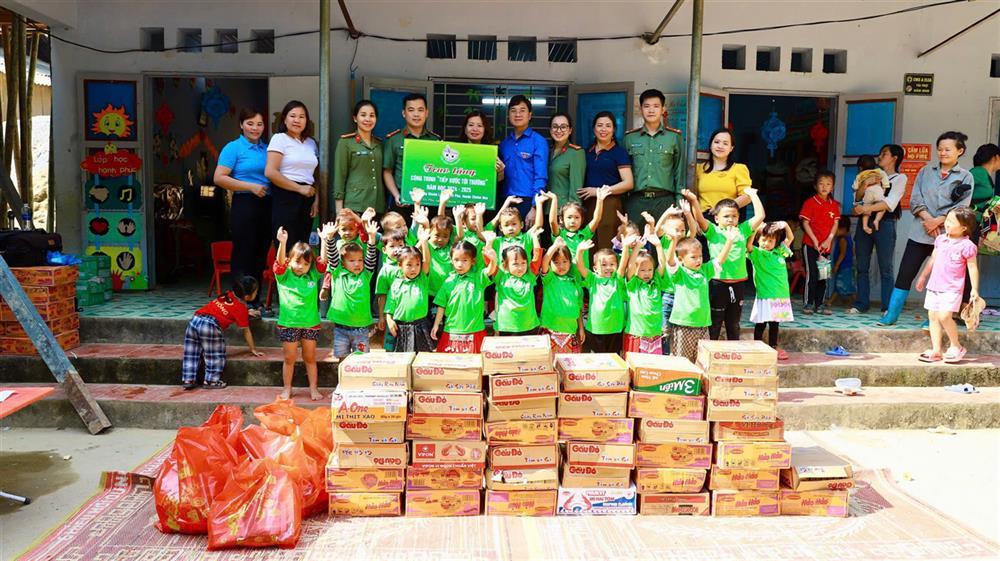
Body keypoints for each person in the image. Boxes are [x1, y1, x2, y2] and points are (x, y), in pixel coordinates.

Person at [879, 132, 974, 327]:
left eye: (948, 149)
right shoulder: (925, 171)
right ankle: (891, 315)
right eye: (940, 149)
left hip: (947, 236)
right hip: (920, 232)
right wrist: (928, 219)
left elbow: (962, 207)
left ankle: (933, 321)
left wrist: (938, 221)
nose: (942, 153)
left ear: (960, 151)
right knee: (905, 273)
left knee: (942, 279)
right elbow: (915, 199)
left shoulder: (966, 177)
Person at [682, 186, 765, 339]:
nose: (730, 219)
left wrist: (753, 195)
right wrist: (694, 200)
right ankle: (711, 354)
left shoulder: (743, 230)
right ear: (716, 218)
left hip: (738, 282)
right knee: (715, 322)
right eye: (726, 216)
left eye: (734, 216)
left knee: (733, 323)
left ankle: (733, 354)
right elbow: (700, 219)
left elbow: (760, 216)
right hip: (717, 283)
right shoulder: (713, 232)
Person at [214, 109, 270, 314]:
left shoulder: (267, 148)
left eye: (259, 124)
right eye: (250, 123)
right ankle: (239, 301)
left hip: (266, 204)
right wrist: (250, 187)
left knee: (259, 255)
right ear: (241, 124)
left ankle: (255, 302)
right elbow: (219, 177)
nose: (255, 128)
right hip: (245, 203)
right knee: (242, 254)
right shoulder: (233, 148)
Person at [915, 207, 979, 363]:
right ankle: (936, 350)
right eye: (947, 220)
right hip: (934, 285)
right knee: (933, 316)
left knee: (944, 316)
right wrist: (923, 277)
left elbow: (972, 267)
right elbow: (932, 259)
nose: (947, 224)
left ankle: (956, 346)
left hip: (952, 288)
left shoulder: (968, 246)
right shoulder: (941, 239)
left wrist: (975, 290)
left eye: (951, 222)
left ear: (964, 228)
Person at [850, 144, 907, 314]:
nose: (880, 157)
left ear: (894, 158)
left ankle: (887, 306)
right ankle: (861, 303)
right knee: (861, 265)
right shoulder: (869, 175)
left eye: (884, 154)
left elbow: (890, 204)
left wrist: (864, 209)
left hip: (886, 223)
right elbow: (856, 202)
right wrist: (864, 189)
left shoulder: (900, 178)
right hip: (864, 222)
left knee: (886, 267)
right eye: (880, 153)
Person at [665, 232, 737, 363]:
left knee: (702, 360)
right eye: (693, 257)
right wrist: (674, 241)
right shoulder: (679, 274)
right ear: (681, 260)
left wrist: (729, 241)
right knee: (682, 361)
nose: (698, 260)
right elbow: (670, 261)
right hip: (683, 324)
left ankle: (698, 384)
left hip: (703, 325)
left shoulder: (705, 270)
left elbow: (720, 259)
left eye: (700, 256)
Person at [180, 276, 263, 390]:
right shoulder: (241, 308)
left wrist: (247, 312)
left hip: (195, 320)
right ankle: (211, 381)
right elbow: (246, 330)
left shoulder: (228, 294)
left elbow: (229, 308)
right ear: (248, 296)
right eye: (256, 291)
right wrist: (253, 349)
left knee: (191, 352)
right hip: (210, 326)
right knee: (215, 355)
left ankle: (188, 379)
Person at [273, 226, 325, 401]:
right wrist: (282, 242)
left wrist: (324, 240)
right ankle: (287, 388)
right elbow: (279, 264)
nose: (301, 266)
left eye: (305, 263)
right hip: (289, 323)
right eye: (297, 262)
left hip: (310, 323)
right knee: (289, 358)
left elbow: (322, 263)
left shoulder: (312, 276)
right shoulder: (284, 275)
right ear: (289, 260)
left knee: (310, 357)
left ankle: (313, 388)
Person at [624, 89, 685, 224]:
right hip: (636, 201)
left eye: (656, 106)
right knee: (634, 242)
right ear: (641, 109)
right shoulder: (630, 138)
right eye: (646, 106)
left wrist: (679, 204)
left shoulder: (674, 137)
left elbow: (679, 173)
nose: (651, 110)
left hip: (665, 201)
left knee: (666, 243)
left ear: (663, 109)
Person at [323, 218, 379, 358]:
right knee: (342, 359)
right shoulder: (338, 273)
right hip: (341, 328)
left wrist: (372, 238)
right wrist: (330, 238)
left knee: (361, 360)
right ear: (343, 263)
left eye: (360, 260)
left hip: (361, 329)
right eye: (352, 261)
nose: (357, 264)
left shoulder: (365, 275)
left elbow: (371, 257)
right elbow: (333, 257)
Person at [266, 101, 319, 246]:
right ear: (284, 119)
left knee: (303, 246)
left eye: (302, 117)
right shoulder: (279, 139)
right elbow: (270, 172)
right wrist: (298, 188)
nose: (297, 120)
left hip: (307, 196)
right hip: (286, 194)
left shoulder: (311, 143)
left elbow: (314, 175)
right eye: (293, 116)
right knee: (286, 244)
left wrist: (316, 199)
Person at [432, 239, 498, 353]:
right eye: (456, 260)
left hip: (475, 330)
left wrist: (493, 259)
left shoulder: (478, 278)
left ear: (473, 261)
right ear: (451, 261)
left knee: (475, 366)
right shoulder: (448, 281)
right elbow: (441, 305)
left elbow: (490, 270)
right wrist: (436, 325)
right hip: (452, 331)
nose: (459, 264)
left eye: (464, 260)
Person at [580, 111, 634, 249]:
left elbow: (628, 183)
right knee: (589, 244)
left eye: (608, 126)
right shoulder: (587, 152)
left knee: (606, 246)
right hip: (588, 205)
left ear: (614, 129)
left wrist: (599, 191)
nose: (603, 129)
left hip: (610, 204)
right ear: (594, 129)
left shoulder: (619, 152)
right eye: (599, 125)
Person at [383, 93, 440, 211]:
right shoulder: (394, 139)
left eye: (420, 110)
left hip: (429, 200)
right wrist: (396, 195)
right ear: (404, 113)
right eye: (411, 110)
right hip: (403, 199)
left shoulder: (435, 140)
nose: (416, 114)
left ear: (427, 113)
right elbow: (387, 172)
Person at [748, 222, 795, 360]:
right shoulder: (757, 253)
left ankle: (773, 346)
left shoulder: (779, 251)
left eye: (770, 240)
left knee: (775, 323)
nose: (767, 243)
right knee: (761, 323)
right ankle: (756, 345)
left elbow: (790, 238)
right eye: (763, 240)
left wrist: (786, 225)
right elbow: (748, 246)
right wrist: (755, 229)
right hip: (765, 295)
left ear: (776, 242)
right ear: (758, 240)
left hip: (780, 295)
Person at [499, 95, 549, 220]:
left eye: (522, 110)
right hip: (507, 201)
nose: (517, 114)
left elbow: (541, 177)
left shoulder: (538, 141)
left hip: (528, 202)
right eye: (513, 110)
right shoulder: (504, 144)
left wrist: (534, 207)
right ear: (508, 115)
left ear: (529, 115)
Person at [798, 170, 841, 315]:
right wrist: (815, 240)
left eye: (828, 184)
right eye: (821, 184)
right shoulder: (810, 203)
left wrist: (829, 239)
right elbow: (805, 223)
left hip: (826, 247)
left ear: (832, 187)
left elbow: (835, 224)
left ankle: (820, 304)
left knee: (823, 275)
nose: (824, 187)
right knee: (812, 274)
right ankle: (808, 304)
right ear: (815, 186)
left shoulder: (834, 205)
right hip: (810, 245)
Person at [384, 229, 435, 353]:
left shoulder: (422, 279)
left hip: (421, 326)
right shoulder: (396, 284)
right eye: (409, 265)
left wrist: (424, 242)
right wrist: (389, 320)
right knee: (402, 359)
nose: (414, 269)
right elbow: (389, 307)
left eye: (417, 265)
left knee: (422, 359)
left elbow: (427, 261)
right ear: (400, 265)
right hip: (401, 327)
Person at [544, 186, 610, 277]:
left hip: (583, 280)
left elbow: (596, 219)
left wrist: (600, 200)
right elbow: (552, 222)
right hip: (566, 280)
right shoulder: (560, 236)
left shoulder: (584, 235)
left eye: (577, 217)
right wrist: (554, 200)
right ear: (561, 220)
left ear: (582, 220)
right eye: (569, 217)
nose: (573, 221)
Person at [334, 100, 385, 215]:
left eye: (372, 115)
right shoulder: (345, 142)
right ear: (355, 118)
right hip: (354, 205)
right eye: (363, 115)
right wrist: (339, 210)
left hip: (377, 206)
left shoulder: (380, 144)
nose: (368, 119)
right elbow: (339, 176)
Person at [622, 228, 669, 355]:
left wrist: (658, 245)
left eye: (649, 269)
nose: (647, 273)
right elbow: (630, 266)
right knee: (634, 367)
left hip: (654, 335)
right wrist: (637, 247)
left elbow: (662, 265)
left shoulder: (656, 283)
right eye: (642, 270)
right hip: (636, 334)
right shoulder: (634, 285)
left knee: (652, 369)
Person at [576, 240, 627, 353]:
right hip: (596, 328)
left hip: (615, 328)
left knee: (615, 358)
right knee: (599, 360)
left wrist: (626, 247)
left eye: (612, 264)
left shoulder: (617, 280)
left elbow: (623, 265)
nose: (608, 268)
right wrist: (579, 251)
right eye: (604, 265)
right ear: (595, 269)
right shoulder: (593, 279)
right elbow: (580, 267)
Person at [491, 229, 543, 336]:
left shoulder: (530, 276)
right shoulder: (501, 276)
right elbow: (489, 260)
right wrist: (489, 242)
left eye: (523, 263)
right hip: (506, 326)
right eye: (515, 264)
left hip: (529, 325)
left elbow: (537, 258)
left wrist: (534, 237)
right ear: (505, 265)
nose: (520, 267)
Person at [539, 238, 585, 353]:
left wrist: (581, 328)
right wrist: (555, 246)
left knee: (569, 365)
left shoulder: (574, 283)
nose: (561, 266)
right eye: (556, 262)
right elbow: (544, 261)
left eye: (565, 261)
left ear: (570, 262)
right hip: (551, 329)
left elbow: (579, 308)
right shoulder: (549, 279)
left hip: (571, 330)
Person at [696, 128, 752, 214]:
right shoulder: (698, 168)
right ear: (710, 145)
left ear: (731, 148)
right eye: (716, 142)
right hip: (703, 219)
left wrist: (722, 208)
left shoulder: (739, 169)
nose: (720, 146)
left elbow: (747, 196)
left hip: (728, 219)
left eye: (725, 143)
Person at [547, 113, 585, 206]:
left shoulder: (576, 153)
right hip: (544, 207)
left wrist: (573, 213)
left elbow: (576, 188)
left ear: (570, 130)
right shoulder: (547, 151)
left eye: (563, 127)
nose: (559, 130)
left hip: (563, 210)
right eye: (555, 126)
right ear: (550, 130)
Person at [827, 217, 856, 309]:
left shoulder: (842, 240)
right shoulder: (848, 237)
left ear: (842, 229)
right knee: (844, 285)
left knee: (844, 286)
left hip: (844, 266)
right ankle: (832, 301)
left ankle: (855, 303)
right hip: (847, 266)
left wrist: (836, 265)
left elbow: (842, 254)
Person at [970, 143, 1000, 228]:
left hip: (978, 222)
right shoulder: (978, 172)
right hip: (970, 221)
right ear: (996, 157)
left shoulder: (985, 174)